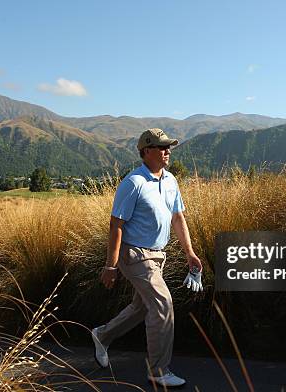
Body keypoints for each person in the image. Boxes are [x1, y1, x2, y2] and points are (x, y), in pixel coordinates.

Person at [92, 128, 203, 388]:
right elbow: (116, 225)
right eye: (162, 147)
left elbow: (177, 217)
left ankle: (102, 335)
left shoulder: (171, 180)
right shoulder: (134, 183)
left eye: (168, 147)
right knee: (163, 304)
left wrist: (190, 253)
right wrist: (110, 265)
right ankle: (158, 370)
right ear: (146, 151)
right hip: (135, 255)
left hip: (157, 256)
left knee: (142, 307)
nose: (167, 151)